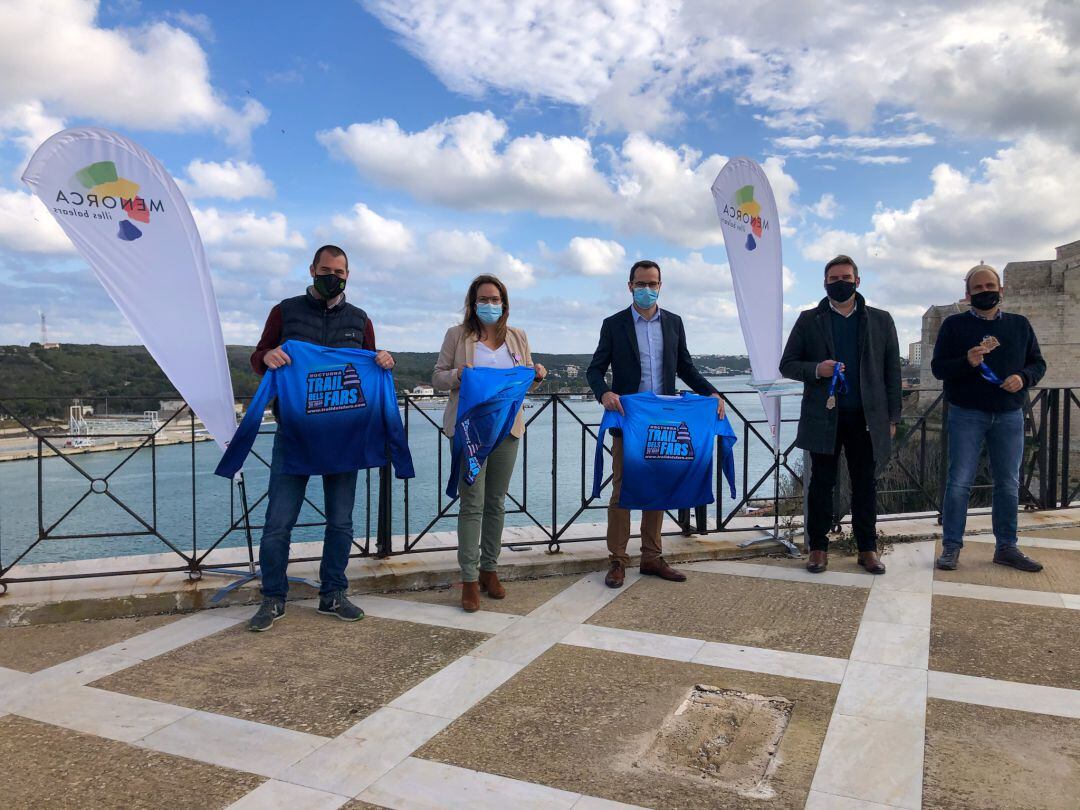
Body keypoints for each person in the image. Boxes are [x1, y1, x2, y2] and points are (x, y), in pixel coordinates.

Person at [245, 244, 396, 632]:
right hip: (294, 432)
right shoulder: (285, 311)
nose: (333, 277)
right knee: (278, 521)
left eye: (340, 272)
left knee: (341, 522)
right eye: (326, 269)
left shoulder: (360, 320)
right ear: (312, 269)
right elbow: (259, 354)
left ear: (349, 275)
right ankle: (272, 598)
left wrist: (383, 360)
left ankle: (333, 594)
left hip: (344, 436)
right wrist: (266, 358)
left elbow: (371, 360)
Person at [586, 259, 725, 588]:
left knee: (657, 490)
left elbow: (686, 368)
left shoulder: (674, 323)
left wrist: (712, 393)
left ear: (660, 286)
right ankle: (618, 560)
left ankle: (651, 557)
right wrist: (603, 393)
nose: (647, 289)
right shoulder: (614, 324)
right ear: (630, 285)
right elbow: (594, 369)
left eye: (653, 284)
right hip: (628, 420)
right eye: (641, 283)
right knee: (621, 490)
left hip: (662, 421)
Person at [779, 255, 901, 575]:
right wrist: (816, 369)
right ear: (824, 283)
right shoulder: (809, 320)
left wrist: (893, 419)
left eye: (845, 277)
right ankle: (818, 548)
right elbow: (787, 364)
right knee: (821, 484)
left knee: (865, 485)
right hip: (824, 418)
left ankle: (867, 548)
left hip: (867, 418)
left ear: (857, 281)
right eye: (833, 278)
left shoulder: (881, 320)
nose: (840, 283)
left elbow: (892, 372)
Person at [433, 274, 547, 612]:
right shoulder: (457, 335)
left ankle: (489, 569)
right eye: (484, 299)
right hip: (469, 433)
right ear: (472, 303)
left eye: (496, 299)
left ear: (505, 303)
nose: (490, 305)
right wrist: (458, 375)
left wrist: (537, 375)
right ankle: (468, 578)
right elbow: (437, 376)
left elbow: (524, 383)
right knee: (472, 504)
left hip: (507, 431)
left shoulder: (518, 337)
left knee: (496, 502)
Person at [932, 263, 1046, 572]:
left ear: (1001, 290)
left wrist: (1023, 378)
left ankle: (1006, 547)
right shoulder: (954, 326)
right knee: (959, 483)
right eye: (978, 288)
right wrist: (966, 361)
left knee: (1008, 483)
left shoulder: (1019, 325)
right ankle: (951, 547)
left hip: (1009, 414)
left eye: (989, 287)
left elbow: (1038, 364)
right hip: (967, 414)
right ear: (968, 294)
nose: (985, 292)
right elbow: (939, 369)